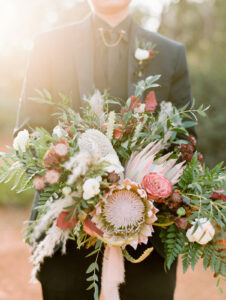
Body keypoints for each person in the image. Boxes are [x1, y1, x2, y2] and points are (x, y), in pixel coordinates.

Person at [15, 0, 193, 299]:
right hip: (65, 234)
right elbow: (28, 132)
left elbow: (184, 142)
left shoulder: (171, 53)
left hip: (149, 242)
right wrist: (78, 181)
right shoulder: (48, 45)